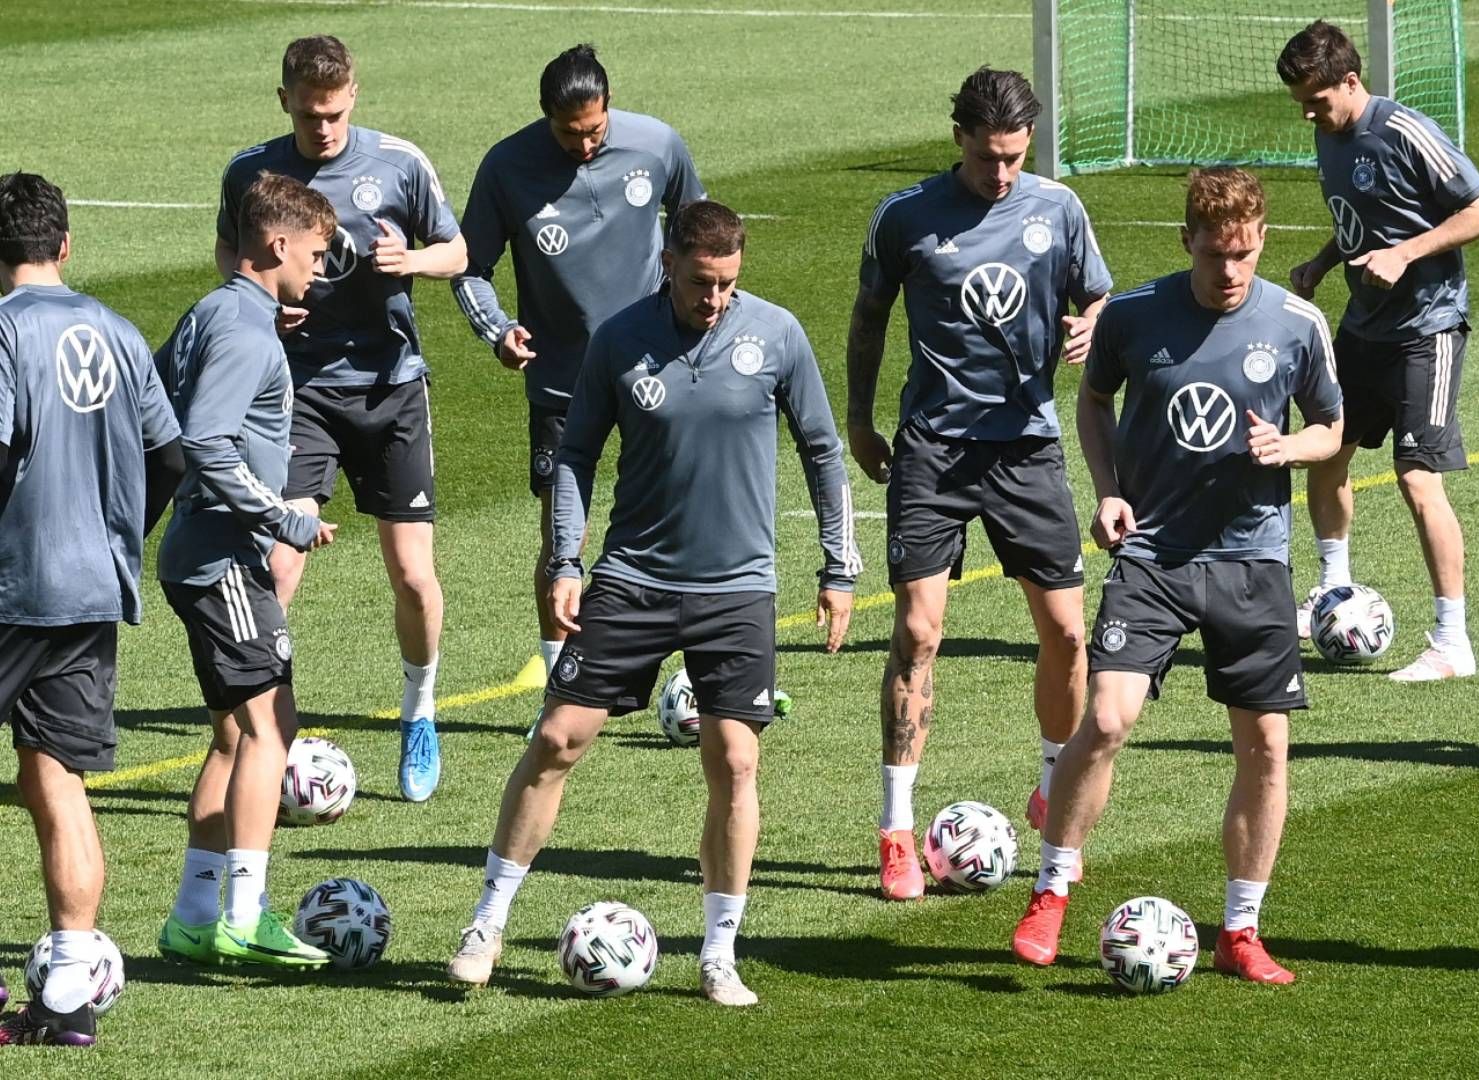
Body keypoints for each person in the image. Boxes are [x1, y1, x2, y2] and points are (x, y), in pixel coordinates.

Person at [446, 201, 858, 1007]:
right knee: (559, 739)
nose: (715, 300)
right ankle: (487, 922)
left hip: (738, 589)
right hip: (632, 578)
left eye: (729, 284)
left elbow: (821, 448)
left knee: (736, 762)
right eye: (702, 283)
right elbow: (574, 456)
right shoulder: (620, 338)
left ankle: (718, 952)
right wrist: (565, 561)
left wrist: (839, 569)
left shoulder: (775, 335)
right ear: (668, 263)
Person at [1010, 167, 1342, 984]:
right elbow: (1092, 401)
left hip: (1253, 558)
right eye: (1215, 254)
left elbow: (1333, 426)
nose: (1230, 273)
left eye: (1244, 254)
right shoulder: (1130, 315)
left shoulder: (1298, 322)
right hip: (1154, 555)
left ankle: (1240, 929)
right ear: (1186, 239)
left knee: (1266, 747)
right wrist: (1110, 488)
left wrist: (1289, 448)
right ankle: (1053, 886)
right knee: (1111, 718)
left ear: (1262, 239)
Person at [846, 66, 1110, 900]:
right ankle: (895, 830)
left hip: (1025, 447)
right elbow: (868, 315)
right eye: (990, 156)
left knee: (1067, 635)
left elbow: (1103, 300)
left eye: (1016, 156)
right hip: (934, 448)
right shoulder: (906, 216)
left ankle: (1048, 787)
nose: (1002, 173)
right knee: (920, 632)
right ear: (959, 136)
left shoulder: (1058, 209)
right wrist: (859, 417)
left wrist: (1089, 328)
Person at [218, 34, 467, 801]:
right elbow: (229, 260)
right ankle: (262, 730)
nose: (323, 128)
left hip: (392, 388)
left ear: (353, 95)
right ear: (284, 98)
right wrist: (267, 305)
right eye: (309, 113)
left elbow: (458, 252)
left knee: (413, 578)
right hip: (301, 393)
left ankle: (418, 711)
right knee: (280, 565)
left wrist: (410, 263)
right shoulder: (249, 173)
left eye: (333, 113)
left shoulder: (398, 162)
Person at [452, 43, 704, 713]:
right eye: (570, 133)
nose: (586, 144)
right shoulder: (508, 167)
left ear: (609, 108)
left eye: (595, 129)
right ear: (546, 120)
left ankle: (690, 671)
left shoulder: (657, 145)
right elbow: (469, 265)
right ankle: (559, 684)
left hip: (661, 366)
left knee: (680, 516)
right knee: (564, 535)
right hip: (564, 381)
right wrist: (496, 330)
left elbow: (700, 235)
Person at [0, 172, 183, 1046]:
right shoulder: (116, 330)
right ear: (66, 244)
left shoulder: (1, 332)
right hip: (90, 590)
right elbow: (170, 458)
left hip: (12, 586)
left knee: (51, 777)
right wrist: (115, 534)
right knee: (55, 777)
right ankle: (69, 996)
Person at [1277, 20, 1479, 682]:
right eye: (1301, 103)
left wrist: (1406, 254)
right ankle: (1331, 585)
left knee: (1415, 475)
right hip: (1364, 325)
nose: (1309, 114)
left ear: (1351, 81)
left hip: (1426, 328)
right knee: (1327, 446)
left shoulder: (1404, 129)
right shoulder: (1329, 135)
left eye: (1317, 100)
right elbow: (1364, 214)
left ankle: (1451, 640)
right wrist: (1323, 262)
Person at [154, 172, 340, 973]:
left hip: (200, 552)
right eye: (318, 253)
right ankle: (244, 911)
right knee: (270, 729)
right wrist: (284, 516)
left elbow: (157, 402)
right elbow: (204, 441)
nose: (322, 269)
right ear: (278, 243)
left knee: (234, 735)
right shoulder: (245, 332)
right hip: (224, 558)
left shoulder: (219, 312)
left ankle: (194, 915)